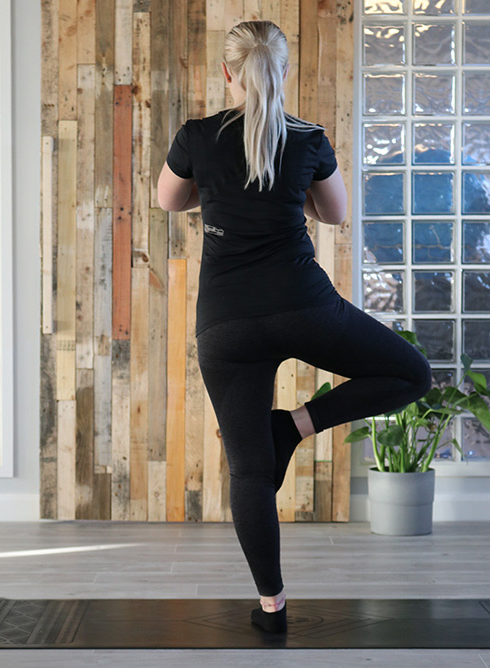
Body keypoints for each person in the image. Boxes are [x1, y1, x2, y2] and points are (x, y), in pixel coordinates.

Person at [157, 20, 432, 634]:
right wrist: (289, 195)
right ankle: (298, 426)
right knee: (411, 374)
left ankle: (273, 609)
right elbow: (334, 214)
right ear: (283, 71)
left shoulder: (197, 136)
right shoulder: (307, 137)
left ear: (228, 71)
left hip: (227, 324)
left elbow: (168, 199)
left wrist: (221, 194)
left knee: (250, 471)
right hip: (304, 307)